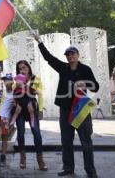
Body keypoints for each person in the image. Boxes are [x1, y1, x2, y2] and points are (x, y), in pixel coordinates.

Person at [35, 34, 99, 178]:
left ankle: (91, 171)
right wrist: (40, 42)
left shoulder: (86, 69)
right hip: (65, 109)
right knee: (66, 141)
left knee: (86, 142)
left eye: (72, 54)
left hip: (81, 109)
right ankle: (68, 168)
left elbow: (96, 86)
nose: (70, 56)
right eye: (68, 55)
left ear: (77, 55)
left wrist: (86, 84)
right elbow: (49, 58)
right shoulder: (63, 67)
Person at [15, 60, 48, 170]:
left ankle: (40, 159)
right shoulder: (17, 79)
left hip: (32, 109)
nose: (22, 70)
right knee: (20, 133)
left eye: (24, 67)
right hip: (20, 109)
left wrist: (41, 109)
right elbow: (13, 94)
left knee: (36, 133)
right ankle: (23, 158)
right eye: (20, 68)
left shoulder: (35, 78)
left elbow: (40, 94)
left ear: (28, 67)